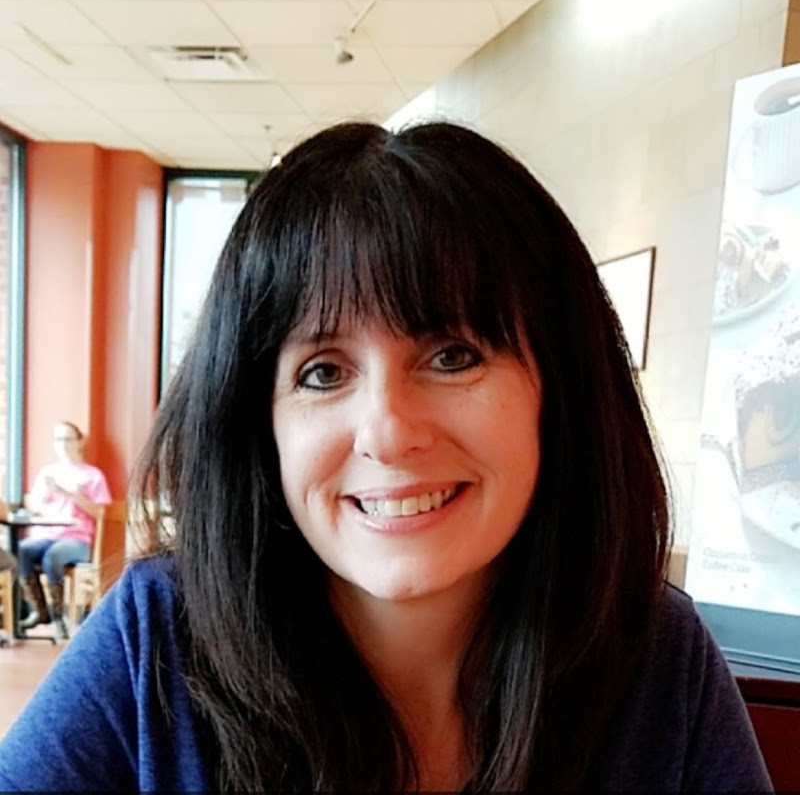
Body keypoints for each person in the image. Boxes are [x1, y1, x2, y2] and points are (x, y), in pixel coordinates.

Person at [0, 122, 772, 792]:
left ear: (560, 390)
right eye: (322, 373)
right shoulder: (158, 642)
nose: (389, 432)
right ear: (257, 423)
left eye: (453, 355)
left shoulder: (654, 659)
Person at [16, 420, 111, 639]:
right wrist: (46, 494)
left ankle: (59, 617)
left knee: (53, 557)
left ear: (80, 442)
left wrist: (75, 496)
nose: (64, 444)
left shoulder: (92, 475)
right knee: (22, 551)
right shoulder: (47, 473)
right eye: (59, 439)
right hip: (45, 533)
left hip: (77, 539)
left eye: (68, 439)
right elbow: (33, 506)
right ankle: (40, 611)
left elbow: (100, 513)